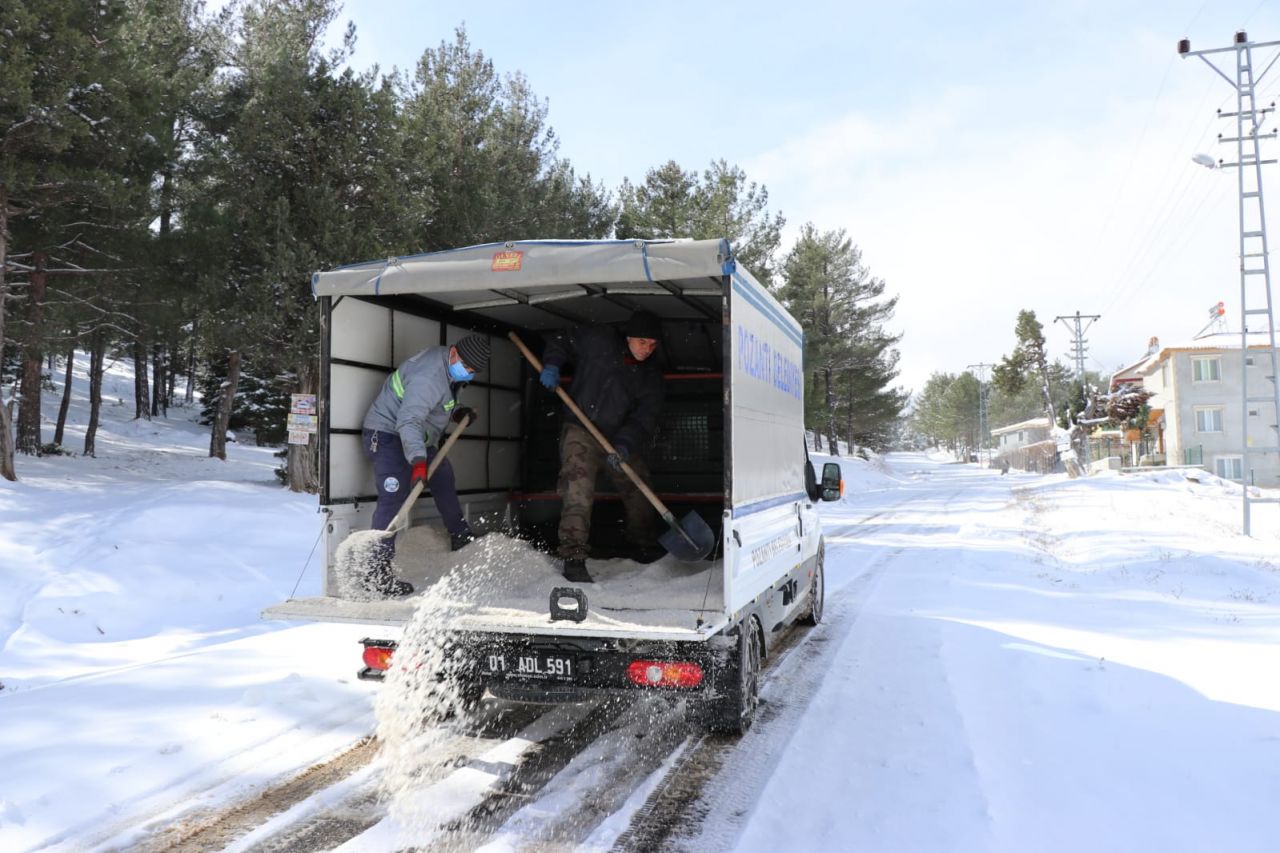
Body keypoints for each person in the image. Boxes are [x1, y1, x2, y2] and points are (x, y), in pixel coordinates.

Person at [539, 310, 665, 583]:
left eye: (653, 344)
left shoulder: (650, 376)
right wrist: (552, 364)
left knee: (639, 483)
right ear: (629, 337)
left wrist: (624, 444)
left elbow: (644, 417)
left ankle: (642, 542)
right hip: (580, 428)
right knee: (578, 486)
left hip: (617, 438)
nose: (648, 349)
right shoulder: (599, 340)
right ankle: (573, 556)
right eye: (643, 342)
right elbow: (562, 338)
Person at [359, 334, 490, 597]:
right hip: (386, 434)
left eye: (473, 372)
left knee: (443, 477)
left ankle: (460, 535)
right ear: (454, 355)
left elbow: (436, 405)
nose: (468, 374)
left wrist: (457, 412)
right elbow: (408, 420)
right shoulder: (429, 377)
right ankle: (376, 573)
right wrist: (418, 461)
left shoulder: (448, 365)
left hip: (417, 434)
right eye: (467, 368)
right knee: (393, 499)